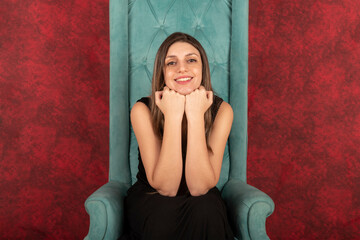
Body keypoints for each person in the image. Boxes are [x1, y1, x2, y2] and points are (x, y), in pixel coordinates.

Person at [122, 32, 234, 240]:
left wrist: (195, 115)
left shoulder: (222, 110)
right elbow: (167, 188)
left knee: (207, 209)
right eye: (171, 63)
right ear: (162, 73)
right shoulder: (142, 110)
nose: (182, 68)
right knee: (163, 213)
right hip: (153, 197)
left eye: (191, 60)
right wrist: (173, 115)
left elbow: (200, 187)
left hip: (201, 201)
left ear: (203, 68)